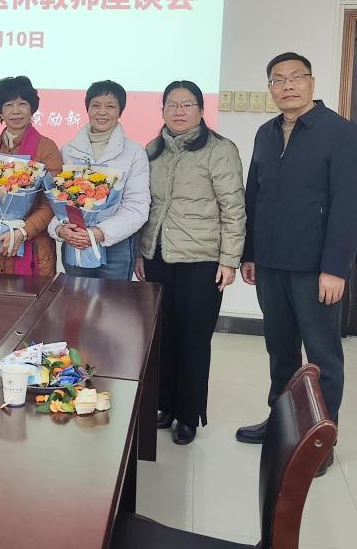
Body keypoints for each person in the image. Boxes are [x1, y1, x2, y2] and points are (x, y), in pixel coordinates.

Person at [234, 52, 357, 476]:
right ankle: (281, 426)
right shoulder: (266, 133)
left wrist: (335, 268)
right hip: (271, 264)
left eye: (296, 77)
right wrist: (249, 253)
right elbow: (254, 196)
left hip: (316, 269)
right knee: (280, 350)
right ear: (270, 88)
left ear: (311, 82)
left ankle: (318, 444)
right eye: (278, 79)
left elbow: (350, 205)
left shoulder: (340, 134)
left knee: (322, 357)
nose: (288, 85)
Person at [133, 81, 246, 445]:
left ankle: (188, 415)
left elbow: (234, 209)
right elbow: (145, 206)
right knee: (162, 337)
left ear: (200, 110)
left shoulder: (220, 150)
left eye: (187, 104)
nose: (179, 111)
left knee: (194, 339)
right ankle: (166, 405)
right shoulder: (152, 150)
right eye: (172, 104)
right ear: (163, 110)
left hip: (202, 260)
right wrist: (141, 252)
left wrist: (229, 260)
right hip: (158, 256)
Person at [48, 80, 150, 280]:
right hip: (75, 240)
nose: (102, 112)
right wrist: (60, 229)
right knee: (76, 299)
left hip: (116, 246)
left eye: (110, 106)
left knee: (113, 300)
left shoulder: (134, 152)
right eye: (96, 105)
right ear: (87, 109)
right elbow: (57, 200)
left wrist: (100, 232)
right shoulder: (68, 150)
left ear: (120, 111)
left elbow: (137, 206)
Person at [0, 76, 63, 276]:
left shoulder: (47, 148)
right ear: (0, 111)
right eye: (9, 105)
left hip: (35, 249)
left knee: (31, 296)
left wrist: (23, 231)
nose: (15, 111)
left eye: (22, 104)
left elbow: (53, 202)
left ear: (32, 109)